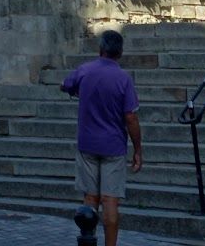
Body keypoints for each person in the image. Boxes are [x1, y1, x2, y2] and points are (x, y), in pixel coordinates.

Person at [61, 29, 143, 246]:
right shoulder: (123, 78)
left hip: (87, 142)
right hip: (114, 145)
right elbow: (131, 117)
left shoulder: (85, 70)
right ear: (120, 53)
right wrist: (138, 149)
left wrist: (79, 92)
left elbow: (66, 84)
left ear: (100, 49)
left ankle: (88, 241)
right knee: (110, 200)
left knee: (90, 198)